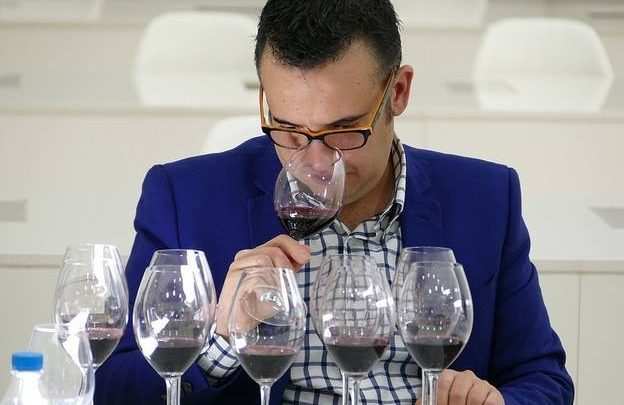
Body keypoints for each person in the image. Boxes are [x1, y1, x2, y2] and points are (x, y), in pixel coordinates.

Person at [96, 1, 574, 404]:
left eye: (343, 131)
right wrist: (220, 343)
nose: (315, 163)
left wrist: (497, 403)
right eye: (288, 129)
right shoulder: (185, 198)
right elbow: (111, 387)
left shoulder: (486, 198)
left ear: (398, 92)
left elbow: (544, 379)